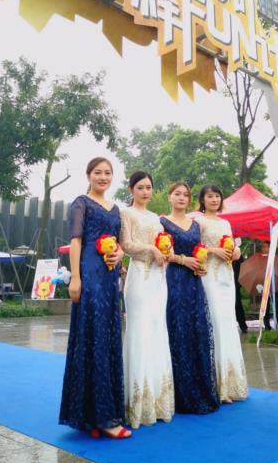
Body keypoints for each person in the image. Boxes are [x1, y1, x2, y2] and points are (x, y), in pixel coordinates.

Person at [59, 157, 131, 439]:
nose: (103, 177)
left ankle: (98, 415)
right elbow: (76, 241)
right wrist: (75, 277)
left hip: (110, 277)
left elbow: (121, 244)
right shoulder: (81, 203)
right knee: (92, 337)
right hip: (89, 275)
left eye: (108, 173)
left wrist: (120, 254)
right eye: (98, 172)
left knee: (107, 337)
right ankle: (99, 417)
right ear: (88, 175)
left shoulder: (116, 208)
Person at [120, 171, 174, 429]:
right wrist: (152, 249)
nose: (145, 192)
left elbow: (164, 245)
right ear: (131, 189)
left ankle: (158, 401)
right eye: (140, 187)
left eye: (149, 187)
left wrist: (167, 251)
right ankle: (137, 404)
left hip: (158, 278)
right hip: (139, 277)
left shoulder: (156, 218)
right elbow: (126, 245)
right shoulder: (126, 213)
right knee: (139, 333)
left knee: (157, 332)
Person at [160, 182, 219, 415]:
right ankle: (181, 394)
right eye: (177, 194)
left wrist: (201, 265)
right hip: (174, 280)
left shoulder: (196, 224)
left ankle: (200, 389)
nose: (182, 198)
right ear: (169, 197)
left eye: (185, 194)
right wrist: (183, 260)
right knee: (178, 330)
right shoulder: (162, 222)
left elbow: (200, 250)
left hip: (195, 281)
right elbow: (163, 253)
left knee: (197, 330)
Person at [195, 185, 248, 404]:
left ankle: (232, 383)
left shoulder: (225, 223)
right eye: (210, 196)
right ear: (202, 199)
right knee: (215, 324)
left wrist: (236, 251)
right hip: (209, 276)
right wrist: (212, 250)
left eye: (217, 195)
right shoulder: (198, 221)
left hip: (227, 276)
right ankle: (216, 385)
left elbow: (232, 244)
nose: (214, 199)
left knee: (228, 324)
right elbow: (193, 248)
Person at [259, 240, 278, 330]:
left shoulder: (274, 258)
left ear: (270, 248)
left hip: (274, 286)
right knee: (265, 306)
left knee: (276, 305)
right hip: (264, 285)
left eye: (265, 246)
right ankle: (267, 325)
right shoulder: (260, 259)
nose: (263, 248)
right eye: (262, 246)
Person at [233, 254, 248, 333]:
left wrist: (239, 282)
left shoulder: (237, 253)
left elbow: (243, 267)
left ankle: (243, 326)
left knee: (237, 304)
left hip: (235, 282)